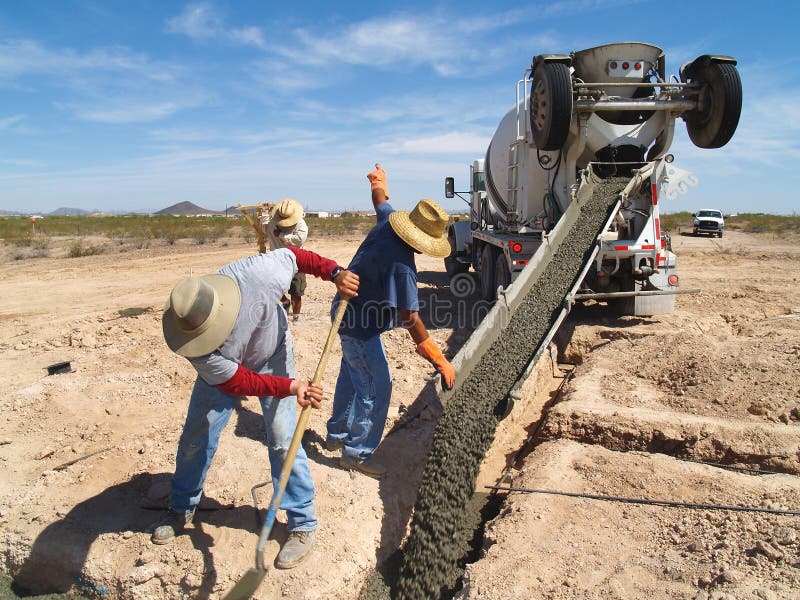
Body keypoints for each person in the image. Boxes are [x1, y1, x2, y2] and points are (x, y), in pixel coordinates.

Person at [155, 245, 359, 570]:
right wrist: (292, 387)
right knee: (198, 434)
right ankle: (182, 505)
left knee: (282, 439)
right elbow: (239, 383)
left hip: (272, 352)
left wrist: (335, 273)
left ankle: (302, 523)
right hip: (234, 372)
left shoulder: (258, 275)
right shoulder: (194, 346)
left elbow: (296, 255)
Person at [326, 164, 456, 479]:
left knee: (351, 375)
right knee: (375, 386)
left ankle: (337, 434)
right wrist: (435, 354)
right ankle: (356, 453)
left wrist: (378, 181)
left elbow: (380, 200)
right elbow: (409, 316)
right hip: (359, 326)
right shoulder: (403, 267)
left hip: (345, 312)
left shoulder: (389, 222)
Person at [262, 198, 309, 322]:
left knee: (296, 290)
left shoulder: (300, 224)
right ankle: (285, 302)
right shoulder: (272, 222)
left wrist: (281, 235)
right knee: (272, 287)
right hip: (276, 260)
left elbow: (299, 239)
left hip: (296, 261)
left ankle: (296, 317)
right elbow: (263, 229)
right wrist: (264, 214)